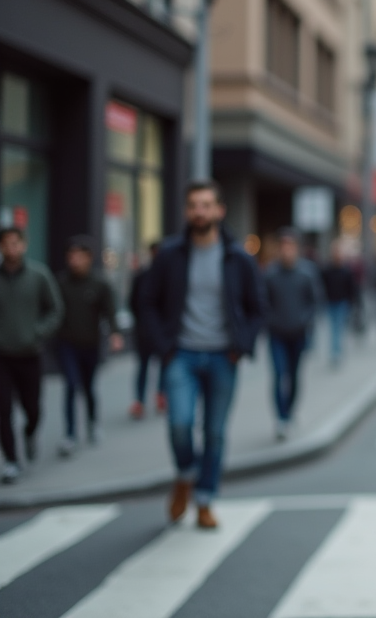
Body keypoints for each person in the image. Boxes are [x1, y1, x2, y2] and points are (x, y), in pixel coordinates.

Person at [137, 181, 264, 529]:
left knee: (215, 433)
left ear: (220, 210)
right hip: (181, 355)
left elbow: (257, 306)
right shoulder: (170, 254)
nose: (200, 211)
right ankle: (185, 474)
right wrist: (164, 346)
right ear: (186, 211)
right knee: (179, 425)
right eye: (194, 205)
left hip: (224, 357)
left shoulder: (237, 257)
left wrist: (243, 346)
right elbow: (146, 301)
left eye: (206, 205)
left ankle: (205, 500)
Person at [0, 227, 63, 484]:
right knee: (2, 410)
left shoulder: (39, 275)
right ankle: (12, 460)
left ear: (23, 245)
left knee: (33, 408)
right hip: (2, 356)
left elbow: (55, 309)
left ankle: (30, 433)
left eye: (15, 243)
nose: (11, 248)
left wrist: (38, 332)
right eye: (6, 244)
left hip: (30, 354)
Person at [55, 236, 122, 456]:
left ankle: (93, 424)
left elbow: (109, 311)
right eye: (71, 256)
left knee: (88, 387)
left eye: (79, 256)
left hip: (91, 344)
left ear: (89, 258)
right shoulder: (61, 283)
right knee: (71, 386)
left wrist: (114, 334)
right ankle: (70, 434)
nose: (75, 261)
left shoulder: (99, 283)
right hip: (67, 344)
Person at [263, 228, 323, 440]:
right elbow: (263, 302)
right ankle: (281, 418)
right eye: (283, 247)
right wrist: (271, 321)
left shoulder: (306, 272)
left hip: (298, 333)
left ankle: (290, 411)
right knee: (280, 376)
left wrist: (305, 322)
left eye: (290, 247)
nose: (287, 251)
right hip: (277, 334)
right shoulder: (270, 273)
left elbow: (314, 301)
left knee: (295, 376)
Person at [129, 242, 166, 419]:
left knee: (164, 365)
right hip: (144, 332)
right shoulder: (142, 276)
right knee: (143, 367)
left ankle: (161, 395)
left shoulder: (170, 277)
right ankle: (140, 401)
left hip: (163, 331)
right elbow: (133, 303)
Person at [320, 244, 358, 367]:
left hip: (342, 302)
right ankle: (336, 351)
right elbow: (322, 285)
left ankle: (337, 351)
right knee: (334, 327)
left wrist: (351, 301)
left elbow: (351, 287)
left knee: (338, 327)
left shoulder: (346, 271)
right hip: (331, 302)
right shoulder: (327, 270)